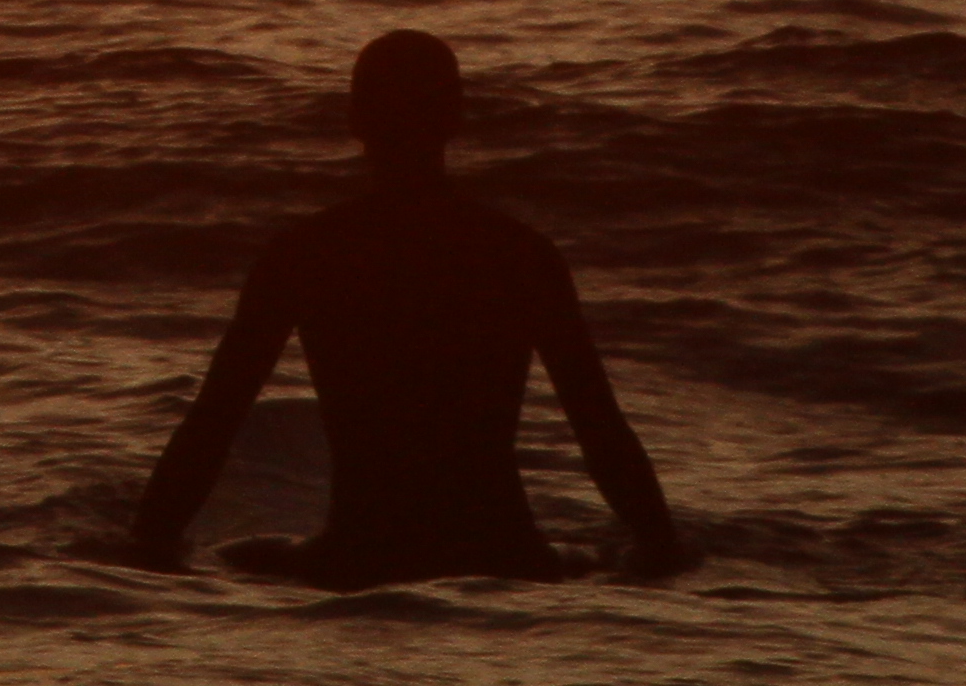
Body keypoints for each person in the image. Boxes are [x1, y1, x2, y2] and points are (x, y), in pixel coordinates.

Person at [118, 31, 691, 587]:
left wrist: (146, 545)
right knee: (587, 556)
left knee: (242, 554)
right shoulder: (520, 253)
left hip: (358, 556)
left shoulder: (305, 253)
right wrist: (662, 550)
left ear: (355, 120)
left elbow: (215, 419)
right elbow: (598, 426)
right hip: (505, 552)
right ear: (456, 119)